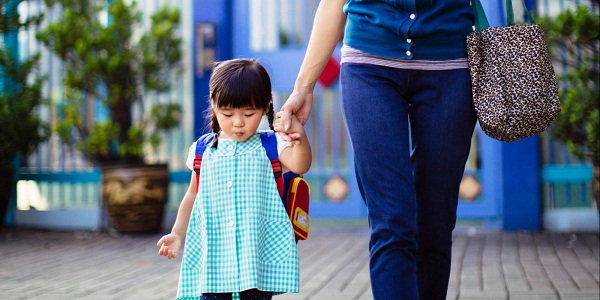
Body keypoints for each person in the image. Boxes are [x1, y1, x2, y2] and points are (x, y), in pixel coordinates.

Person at [277, 1, 477, 299]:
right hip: (369, 70)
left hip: (448, 68)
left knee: (435, 223)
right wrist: (303, 88)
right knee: (391, 220)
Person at [157, 58, 312, 300]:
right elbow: (192, 195)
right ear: (214, 106)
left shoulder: (272, 145)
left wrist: (299, 138)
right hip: (214, 260)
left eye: (248, 113)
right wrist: (177, 234)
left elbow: (301, 164)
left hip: (256, 259)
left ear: (265, 107)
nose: (238, 122)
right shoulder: (202, 150)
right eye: (227, 114)